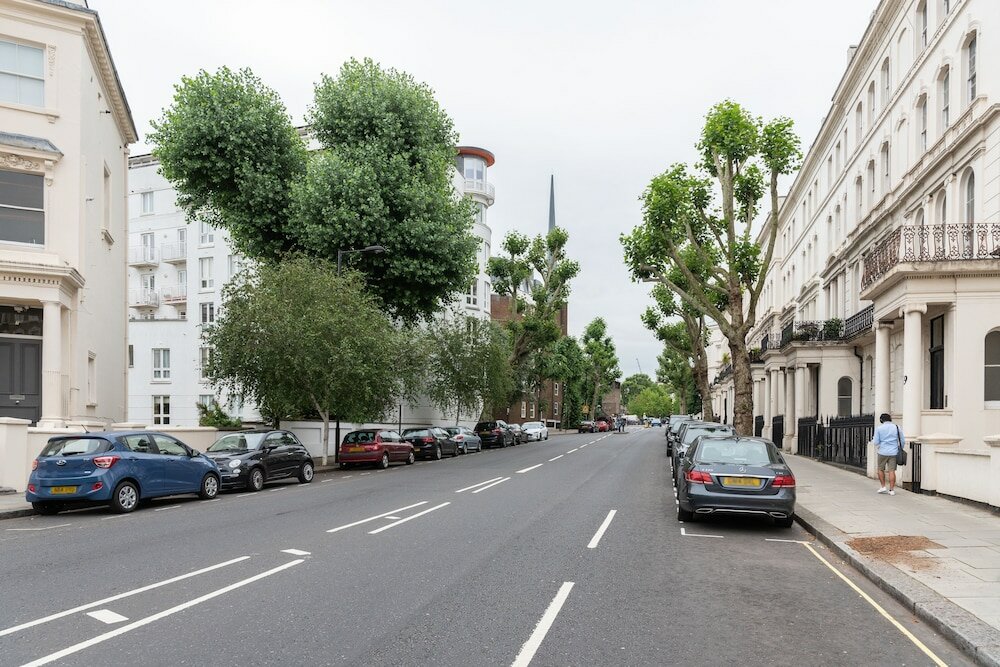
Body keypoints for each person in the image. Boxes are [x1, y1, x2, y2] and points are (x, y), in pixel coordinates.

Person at [871, 413, 905, 496]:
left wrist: (879, 445)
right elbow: (902, 440)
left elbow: (875, 442)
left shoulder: (879, 428)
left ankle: (883, 486)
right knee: (892, 471)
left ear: (881, 420)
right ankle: (892, 490)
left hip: (882, 451)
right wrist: (900, 448)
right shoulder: (896, 427)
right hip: (893, 452)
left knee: (880, 469)